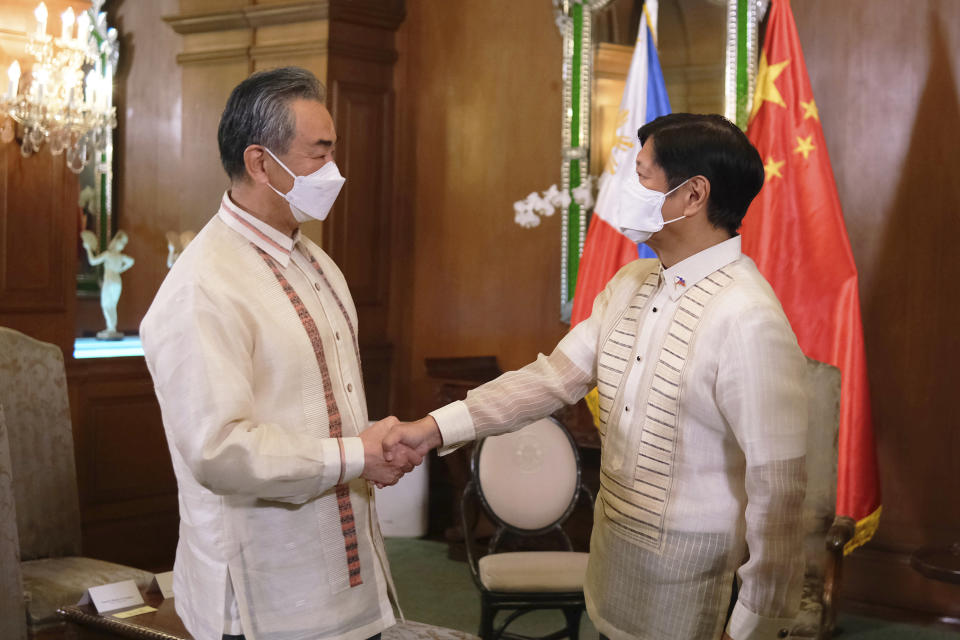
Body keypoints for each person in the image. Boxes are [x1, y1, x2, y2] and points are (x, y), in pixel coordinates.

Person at [385, 113, 809, 640]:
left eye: (643, 174)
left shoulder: (748, 316)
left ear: (693, 195)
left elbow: (781, 488)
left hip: (697, 594)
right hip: (615, 572)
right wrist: (430, 428)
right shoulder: (631, 282)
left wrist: (755, 625)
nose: (626, 190)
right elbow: (548, 381)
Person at [141, 67, 421, 640]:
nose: (334, 172)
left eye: (333, 152)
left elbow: (322, 409)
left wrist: (373, 444)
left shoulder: (318, 263)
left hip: (342, 576)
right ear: (260, 162)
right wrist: (354, 455)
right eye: (318, 155)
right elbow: (219, 451)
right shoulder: (203, 284)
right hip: (258, 595)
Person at [81, 229, 134, 339]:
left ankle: (111, 328)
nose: (123, 246)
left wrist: (88, 249)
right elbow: (131, 261)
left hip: (110, 281)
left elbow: (92, 261)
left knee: (106, 304)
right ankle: (111, 327)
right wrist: (120, 269)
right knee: (112, 305)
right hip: (117, 281)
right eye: (122, 243)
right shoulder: (119, 257)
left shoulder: (109, 255)